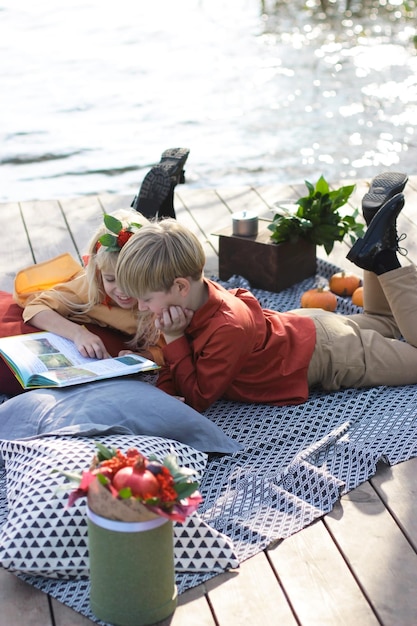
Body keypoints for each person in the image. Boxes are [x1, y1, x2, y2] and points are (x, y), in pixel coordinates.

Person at [115, 172, 417, 413]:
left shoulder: (224, 327)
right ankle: (378, 236)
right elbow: (176, 372)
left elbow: (198, 398)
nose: (141, 306)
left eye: (147, 298)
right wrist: (166, 390)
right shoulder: (187, 305)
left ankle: (383, 259)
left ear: (180, 286)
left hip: (330, 353)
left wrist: (174, 339)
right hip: (306, 328)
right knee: (383, 320)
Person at [16, 209, 164, 364]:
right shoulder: (90, 287)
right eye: (111, 279)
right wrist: (78, 334)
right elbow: (36, 307)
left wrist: (143, 357)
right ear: (99, 273)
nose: (122, 290)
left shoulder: (157, 301)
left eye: (130, 281)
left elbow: (166, 349)